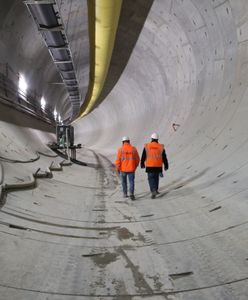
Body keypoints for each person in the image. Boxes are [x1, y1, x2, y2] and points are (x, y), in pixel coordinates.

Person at [141, 133, 169, 199]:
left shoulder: (147, 146)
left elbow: (143, 156)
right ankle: (156, 190)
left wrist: (142, 163)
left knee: (151, 178)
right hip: (158, 166)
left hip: (150, 166)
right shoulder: (161, 147)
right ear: (157, 139)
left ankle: (153, 190)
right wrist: (166, 165)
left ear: (151, 139)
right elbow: (164, 157)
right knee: (156, 178)